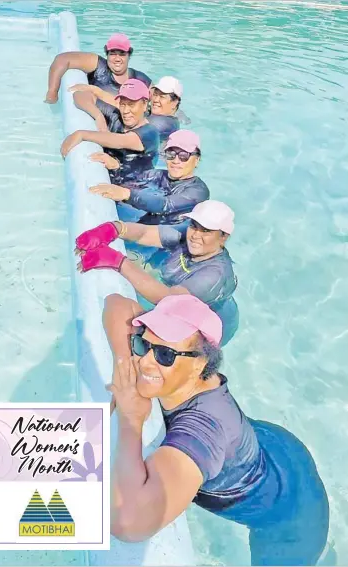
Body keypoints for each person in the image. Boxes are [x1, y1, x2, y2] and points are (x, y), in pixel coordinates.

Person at [103, 293, 330, 566]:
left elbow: (127, 523)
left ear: (201, 362)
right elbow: (116, 303)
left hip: (289, 520)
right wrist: (123, 365)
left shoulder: (204, 429)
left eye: (165, 354)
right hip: (272, 446)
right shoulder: (187, 370)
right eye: (142, 344)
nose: (145, 361)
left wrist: (131, 419)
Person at [73, 200, 239, 346]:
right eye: (194, 226)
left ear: (223, 237)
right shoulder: (187, 235)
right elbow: (145, 233)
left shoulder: (215, 274)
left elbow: (169, 299)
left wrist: (119, 262)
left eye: (206, 231)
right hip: (178, 293)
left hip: (210, 324)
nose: (196, 235)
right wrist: (114, 229)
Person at [88, 129, 209, 226]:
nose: (176, 161)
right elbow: (126, 182)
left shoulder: (198, 191)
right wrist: (116, 167)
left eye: (184, 156)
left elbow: (165, 205)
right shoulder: (156, 175)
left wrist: (127, 194)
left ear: (197, 159)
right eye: (171, 154)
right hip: (143, 228)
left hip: (169, 245)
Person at [60, 79, 159, 185]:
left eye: (131, 105)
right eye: (122, 104)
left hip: (136, 188)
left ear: (144, 105)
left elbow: (121, 141)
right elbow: (80, 95)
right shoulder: (117, 118)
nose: (125, 111)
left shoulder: (150, 133)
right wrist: (98, 116)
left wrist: (81, 134)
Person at [45, 32, 151, 107]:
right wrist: (52, 93)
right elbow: (62, 59)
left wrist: (95, 91)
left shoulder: (140, 79)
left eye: (122, 54)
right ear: (107, 54)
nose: (117, 59)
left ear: (129, 55)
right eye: (112, 54)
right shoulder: (99, 66)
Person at [68, 75, 182, 145]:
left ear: (175, 102)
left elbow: (123, 140)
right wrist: (98, 114)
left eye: (162, 97)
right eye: (155, 95)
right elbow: (81, 95)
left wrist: (83, 135)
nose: (156, 100)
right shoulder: (148, 112)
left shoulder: (164, 124)